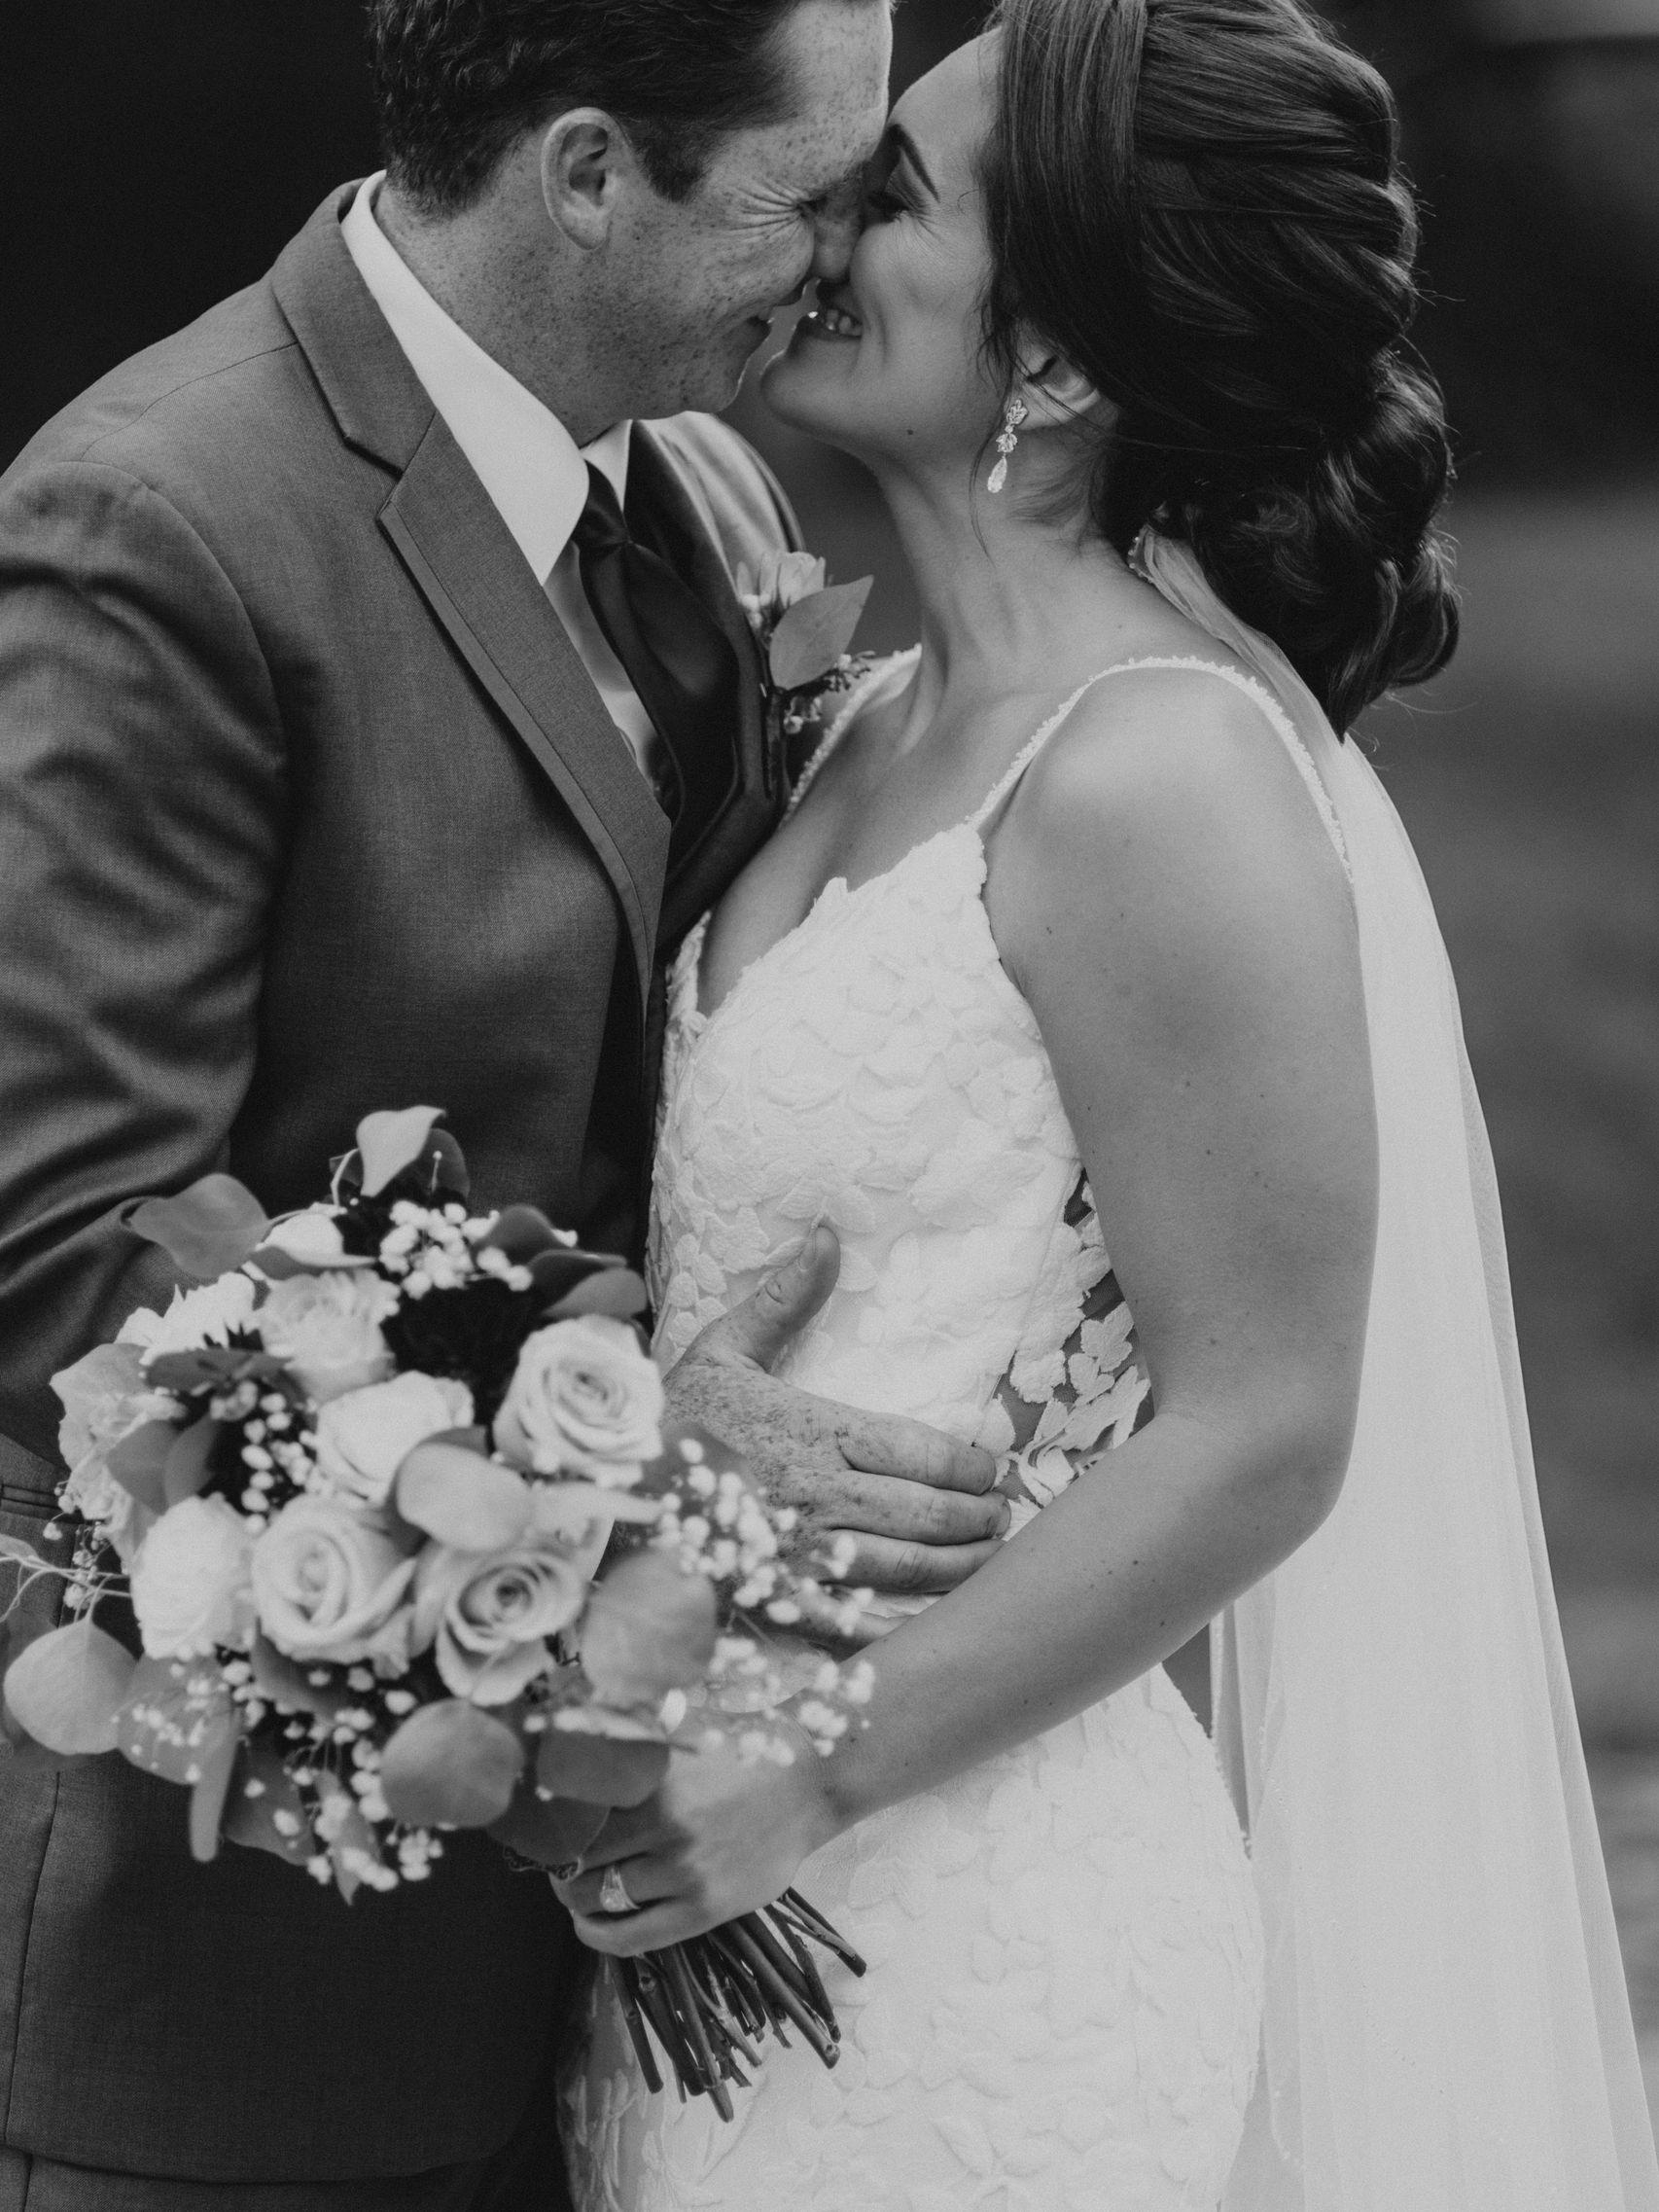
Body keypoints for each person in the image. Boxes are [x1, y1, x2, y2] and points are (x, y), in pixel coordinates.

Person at [555, 2, 1659, 2206]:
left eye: (893, 195)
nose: (815, 223)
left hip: (970, 1921)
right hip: (715, 1899)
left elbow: (1267, 1426)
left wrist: (809, 1772)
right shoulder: (862, 721)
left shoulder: (1158, 775)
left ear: (1052, 357)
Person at [0, 4, 1017, 2206]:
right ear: (581, 171)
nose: (852, 260)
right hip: (250, 1971)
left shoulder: (701, 476)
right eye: (808, 192)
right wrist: (640, 1422)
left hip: (635, 1944)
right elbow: (60, 1262)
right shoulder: (161, 522)